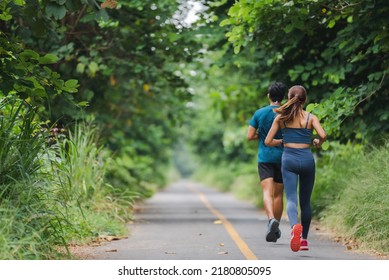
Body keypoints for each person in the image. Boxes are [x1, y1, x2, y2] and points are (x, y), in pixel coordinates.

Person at [264, 85, 326, 252]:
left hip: (289, 159)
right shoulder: (310, 117)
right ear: (304, 100)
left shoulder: (281, 118)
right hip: (306, 159)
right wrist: (317, 143)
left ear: (288, 98)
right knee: (305, 201)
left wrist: (281, 142)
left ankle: (294, 229)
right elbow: (323, 135)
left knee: (291, 198)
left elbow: (268, 141)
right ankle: (304, 240)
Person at [247, 82, 287, 243]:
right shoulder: (287, 113)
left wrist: (262, 136)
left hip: (265, 157)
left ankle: (271, 220)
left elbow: (249, 136)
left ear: (269, 96)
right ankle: (275, 229)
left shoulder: (259, 113)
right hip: (284, 157)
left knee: (267, 192)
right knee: (278, 194)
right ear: (283, 97)